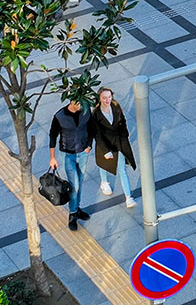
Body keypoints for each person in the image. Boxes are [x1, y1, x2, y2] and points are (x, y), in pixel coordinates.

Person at [89, 85, 138, 211]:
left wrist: (125, 134)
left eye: (109, 97)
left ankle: (129, 197)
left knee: (122, 169)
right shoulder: (96, 114)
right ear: (99, 98)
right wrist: (105, 151)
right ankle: (104, 182)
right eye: (104, 98)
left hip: (118, 143)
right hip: (105, 144)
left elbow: (122, 121)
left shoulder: (116, 107)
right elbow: (97, 134)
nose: (107, 100)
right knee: (104, 165)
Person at [50, 94, 93, 228]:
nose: (82, 105)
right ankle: (73, 214)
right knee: (75, 186)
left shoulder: (86, 111)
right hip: (68, 155)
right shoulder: (60, 116)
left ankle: (77, 208)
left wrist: (89, 145)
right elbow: (52, 136)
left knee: (80, 182)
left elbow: (91, 128)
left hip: (83, 153)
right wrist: (52, 157)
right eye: (79, 103)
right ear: (72, 101)